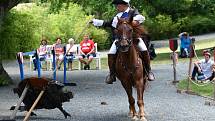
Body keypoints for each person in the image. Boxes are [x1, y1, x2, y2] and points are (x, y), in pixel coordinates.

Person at [91, 0, 155, 84]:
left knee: (144, 49)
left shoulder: (133, 12)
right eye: (116, 5)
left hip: (134, 38)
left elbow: (140, 18)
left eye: (118, 5)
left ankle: (148, 71)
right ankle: (112, 74)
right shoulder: (117, 16)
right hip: (120, 39)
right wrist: (94, 21)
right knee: (111, 53)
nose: (117, 7)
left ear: (125, 5)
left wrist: (133, 21)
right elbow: (108, 23)